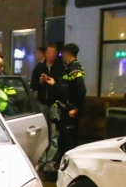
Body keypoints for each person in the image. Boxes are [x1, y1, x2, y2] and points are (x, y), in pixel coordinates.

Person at [44, 43, 87, 167]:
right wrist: (53, 83)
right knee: (62, 142)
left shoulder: (75, 68)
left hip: (70, 111)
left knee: (69, 143)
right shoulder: (67, 68)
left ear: (68, 53)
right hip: (63, 110)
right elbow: (65, 88)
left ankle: (71, 168)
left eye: (63, 53)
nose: (61, 56)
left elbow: (81, 90)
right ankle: (63, 168)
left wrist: (76, 108)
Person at [31, 44, 65, 172]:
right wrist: (40, 82)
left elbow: (62, 86)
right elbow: (33, 85)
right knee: (42, 132)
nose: (51, 55)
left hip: (54, 103)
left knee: (54, 132)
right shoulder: (39, 68)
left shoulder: (60, 68)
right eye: (49, 52)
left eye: (53, 53)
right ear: (46, 54)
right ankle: (41, 159)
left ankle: (50, 160)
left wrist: (54, 83)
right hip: (42, 103)